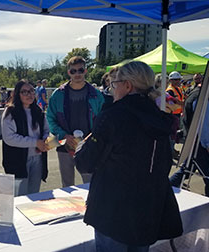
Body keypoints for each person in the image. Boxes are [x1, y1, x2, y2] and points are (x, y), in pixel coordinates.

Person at [74, 61, 183, 252]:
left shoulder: (113, 115)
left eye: (114, 84)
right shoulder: (159, 116)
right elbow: (165, 163)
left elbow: (85, 163)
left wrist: (83, 145)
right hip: (147, 207)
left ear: (128, 85)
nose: (113, 89)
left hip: (112, 210)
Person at [47, 56, 104, 187]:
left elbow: (102, 121)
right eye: (73, 71)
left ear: (85, 71)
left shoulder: (96, 95)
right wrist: (64, 135)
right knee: (67, 187)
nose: (77, 74)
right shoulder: (58, 95)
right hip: (64, 145)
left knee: (90, 185)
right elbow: (50, 118)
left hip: (88, 145)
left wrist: (91, 138)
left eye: (80, 70)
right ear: (68, 72)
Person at [2, 80, 50, 196]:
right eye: (24, 92)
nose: (29, 95)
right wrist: (35, 143)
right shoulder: (10, 112)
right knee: (20, 196)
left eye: (31, 91)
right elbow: (9, 138)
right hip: (18, 160)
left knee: (34, 194)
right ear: (18, 94)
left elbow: (46, 130)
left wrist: (44, 140)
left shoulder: (38, 111)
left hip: (37, 159)